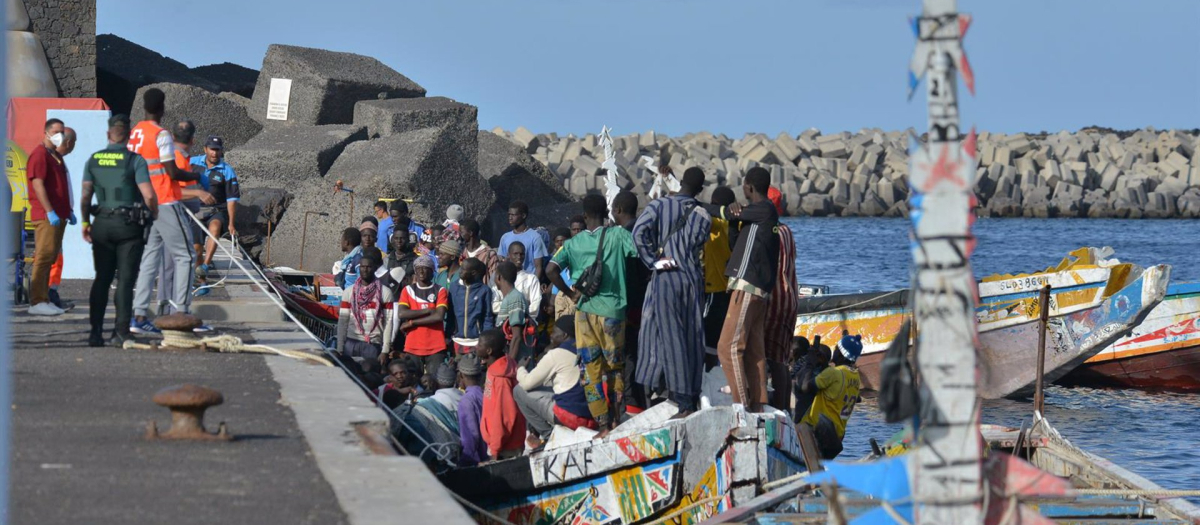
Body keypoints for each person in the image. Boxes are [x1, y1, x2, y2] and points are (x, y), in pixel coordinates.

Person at [546, 194, 638, 433]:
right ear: (607, 211)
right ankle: (618, 417)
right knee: (615, 367)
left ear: (584, 216)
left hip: (584, 313)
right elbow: (639, 254)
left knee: (591, 369)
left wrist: (571, 293)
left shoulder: (572, 244)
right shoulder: (618, 235)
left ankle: (603, 424)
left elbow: (551, 269)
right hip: (613, 313)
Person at [632, 169, 712, 417]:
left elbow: (638, 233)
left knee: (669, 336)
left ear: (681, 182)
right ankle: (690, 392)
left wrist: (652, 261)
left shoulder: (659, 205)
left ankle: (681, 400)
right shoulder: (703, 214)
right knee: (692, 336)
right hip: (692, 280)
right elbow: (698, 244)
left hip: (667, 276)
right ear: (700, 189)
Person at [129, 88, 203, 333]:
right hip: (164, 200)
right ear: (162, 108)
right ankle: (181, 310)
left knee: (150, 258)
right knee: (186, 256)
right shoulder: (161, 135)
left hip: (144, 201)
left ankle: (139, 316)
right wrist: (194, 176)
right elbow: (171, 172)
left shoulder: (135, 133)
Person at [79, 114, 158, 346]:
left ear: (108, 134)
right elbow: (149, 195)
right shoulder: (135, 160)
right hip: (128, 226)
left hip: (101, 224)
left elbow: (85, 196)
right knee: (125, 280)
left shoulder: (94, 160)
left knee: (102, 278)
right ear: (129, 136)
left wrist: (85, 223)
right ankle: (121, 331)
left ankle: (95, 333)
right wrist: (153, 213)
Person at [712, 166, 779, 412]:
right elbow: (735, 243)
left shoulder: (763, 210)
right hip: (757, 290)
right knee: (753, 351)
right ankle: (760, 404)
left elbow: (722, 213)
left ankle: (742, 407)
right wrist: (732, 219)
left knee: (727, 348)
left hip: (747, 287)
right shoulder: (757, 216)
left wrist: (703, 207)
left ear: (748, 187)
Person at [514, 314, 595, 448]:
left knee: (518, 390)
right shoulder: (586, 349)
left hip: (569, 417)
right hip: (591, 415)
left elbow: (527, 383)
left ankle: (548, 435)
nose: (551, 335)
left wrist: (520, 368)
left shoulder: (556, 354)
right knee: (549, 384)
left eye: (554, 332)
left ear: (564, 335)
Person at [25, 118, 75, 316]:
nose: (60, 135)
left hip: (58, 215)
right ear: (46, 132)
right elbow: (38, 185)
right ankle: (37, 301)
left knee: (51, 256)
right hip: (46, 215)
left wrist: (67, 211)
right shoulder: (39, 156)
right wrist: (49, 210)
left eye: (62, 131)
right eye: (56, 131)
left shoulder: (54, 156)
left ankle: (44, 298)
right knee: (44, 257)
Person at [612, 191, 650, 411]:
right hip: (645, 302)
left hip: (630, 307)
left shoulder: (624, 236)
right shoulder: (644, 232)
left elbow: (627, 276)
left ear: (618, 210)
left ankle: (633, 404)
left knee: (629, 357)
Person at [800, 335, 862, 459]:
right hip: (836, 437)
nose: (834, 349)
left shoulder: (833, 373)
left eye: (836, 348)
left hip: (817, 432)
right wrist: (824, 366)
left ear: (840, 354)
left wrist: (810, 362)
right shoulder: (855, 377)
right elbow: (854, 396)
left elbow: (805, 387)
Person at [393, 255, 449, 375]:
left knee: (434, 382)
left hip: (436, 345)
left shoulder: (440, 290)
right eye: (418, 268)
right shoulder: (408, 290)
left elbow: (438, 316)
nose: (421, 271)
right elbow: (402, 313)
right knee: (414, 381)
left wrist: (412, 322)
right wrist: (428, 310)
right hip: (413, 345)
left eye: (425, 268)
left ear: (432, 271)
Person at [336, 247, 396, 361]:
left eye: (368, 267)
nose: (365, 270)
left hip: (373, 344)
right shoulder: (349, 292)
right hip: (351, 342)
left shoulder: (385, 292)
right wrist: (340, 348)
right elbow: (343, 321)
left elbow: (388, 323)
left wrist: (385, 350)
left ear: (374, 268)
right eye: (362, 267)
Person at [475, 328, 526, 461]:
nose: (476, 346)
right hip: (500, 444)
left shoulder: (501, 379)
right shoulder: (494, 370)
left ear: (489, 351)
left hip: (506, 447)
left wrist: (495, 450)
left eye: (480, 344)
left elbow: (504, 415)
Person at [192, 136, 239, 273]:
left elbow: (232, 199)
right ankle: (199, 273)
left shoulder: (227, 170)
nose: (214, 153)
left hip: (215, 210)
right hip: (194, 210)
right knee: (197, 249)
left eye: (217, 150)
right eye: (212, 149)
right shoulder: (192, 163)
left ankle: (205, 266)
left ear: (221, 151)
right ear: (205, 149)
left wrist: (231, 223)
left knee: (215, 228)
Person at [765, 221, 799, 411]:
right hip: (791, 296)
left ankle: (779, 408)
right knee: (782, 359)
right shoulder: (787, 230)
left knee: (775, 360)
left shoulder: (773, 231)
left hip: (776, 297)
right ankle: (784, 408)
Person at [703, 187, 736, 370]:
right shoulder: (736, 223)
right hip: (731, 290)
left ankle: (708, 373)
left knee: (709, 339)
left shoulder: (714, 223)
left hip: (713, 287)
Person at [46, 126, 78, 311]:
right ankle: (49, 294)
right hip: (53, 216)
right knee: (52, 257)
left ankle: (51, 293)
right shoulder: (51, 160)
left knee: (56, 257)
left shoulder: (57, 161)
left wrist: (69, 209)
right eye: (73, 143)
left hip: (60, 214)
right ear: (67, 142)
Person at [447, 258, 495, 355]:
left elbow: (487, 317)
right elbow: (450, 314)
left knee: (475, 369)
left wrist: (485, 340)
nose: (460, 271)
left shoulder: (484, 290)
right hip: (457, 340)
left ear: (473, 273)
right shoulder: (454, 287)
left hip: (476, 342)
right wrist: (447, 335)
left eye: (463, 269)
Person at [498, 201, 548, 279]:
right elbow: (502, 263)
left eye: (513, 215)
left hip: (528, 282)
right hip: (510, 282)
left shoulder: (535, 237)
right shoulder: (505, 237)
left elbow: (538, 267)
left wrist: (534, 284)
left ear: (523, 215)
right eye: (509, 215)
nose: (510, 218)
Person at [491, 242, 540, 320]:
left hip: (524, 323)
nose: (519, 257)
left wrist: (517, 312)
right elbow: (494, 306)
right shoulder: (498, 276)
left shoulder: (531, 278)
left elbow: (535, 307)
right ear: (508, 255)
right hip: (502, 323)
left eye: (522, 254)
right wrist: (520, 305)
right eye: (515, 254)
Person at [493, 261, 530, 362]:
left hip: (518, 361)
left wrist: (509, 365)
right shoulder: (510, 297)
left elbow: (516, 336)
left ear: (498, 277)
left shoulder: (515, 298)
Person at [455, 353, 487, 467]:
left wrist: (464, 462)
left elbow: (470, 438)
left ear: (461, 375)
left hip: (482, 461)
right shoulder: (487, 394)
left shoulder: (466, 401)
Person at [791, 337, 829, 423]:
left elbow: (804, 387)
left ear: (794, 352)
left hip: (803, 418)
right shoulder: (815, 368)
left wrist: (810, 363)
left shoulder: (803, 367)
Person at [549, 227, 576, 320]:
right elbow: (554, 292)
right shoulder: (558, 269)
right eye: (557, 241)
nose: (560, 244)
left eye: (563, 241)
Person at [460, 218, 498, 283]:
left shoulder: (489, 254)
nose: (460, 235)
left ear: (470, 233)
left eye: (462, 232)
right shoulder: (462, 252)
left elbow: (494, 278)